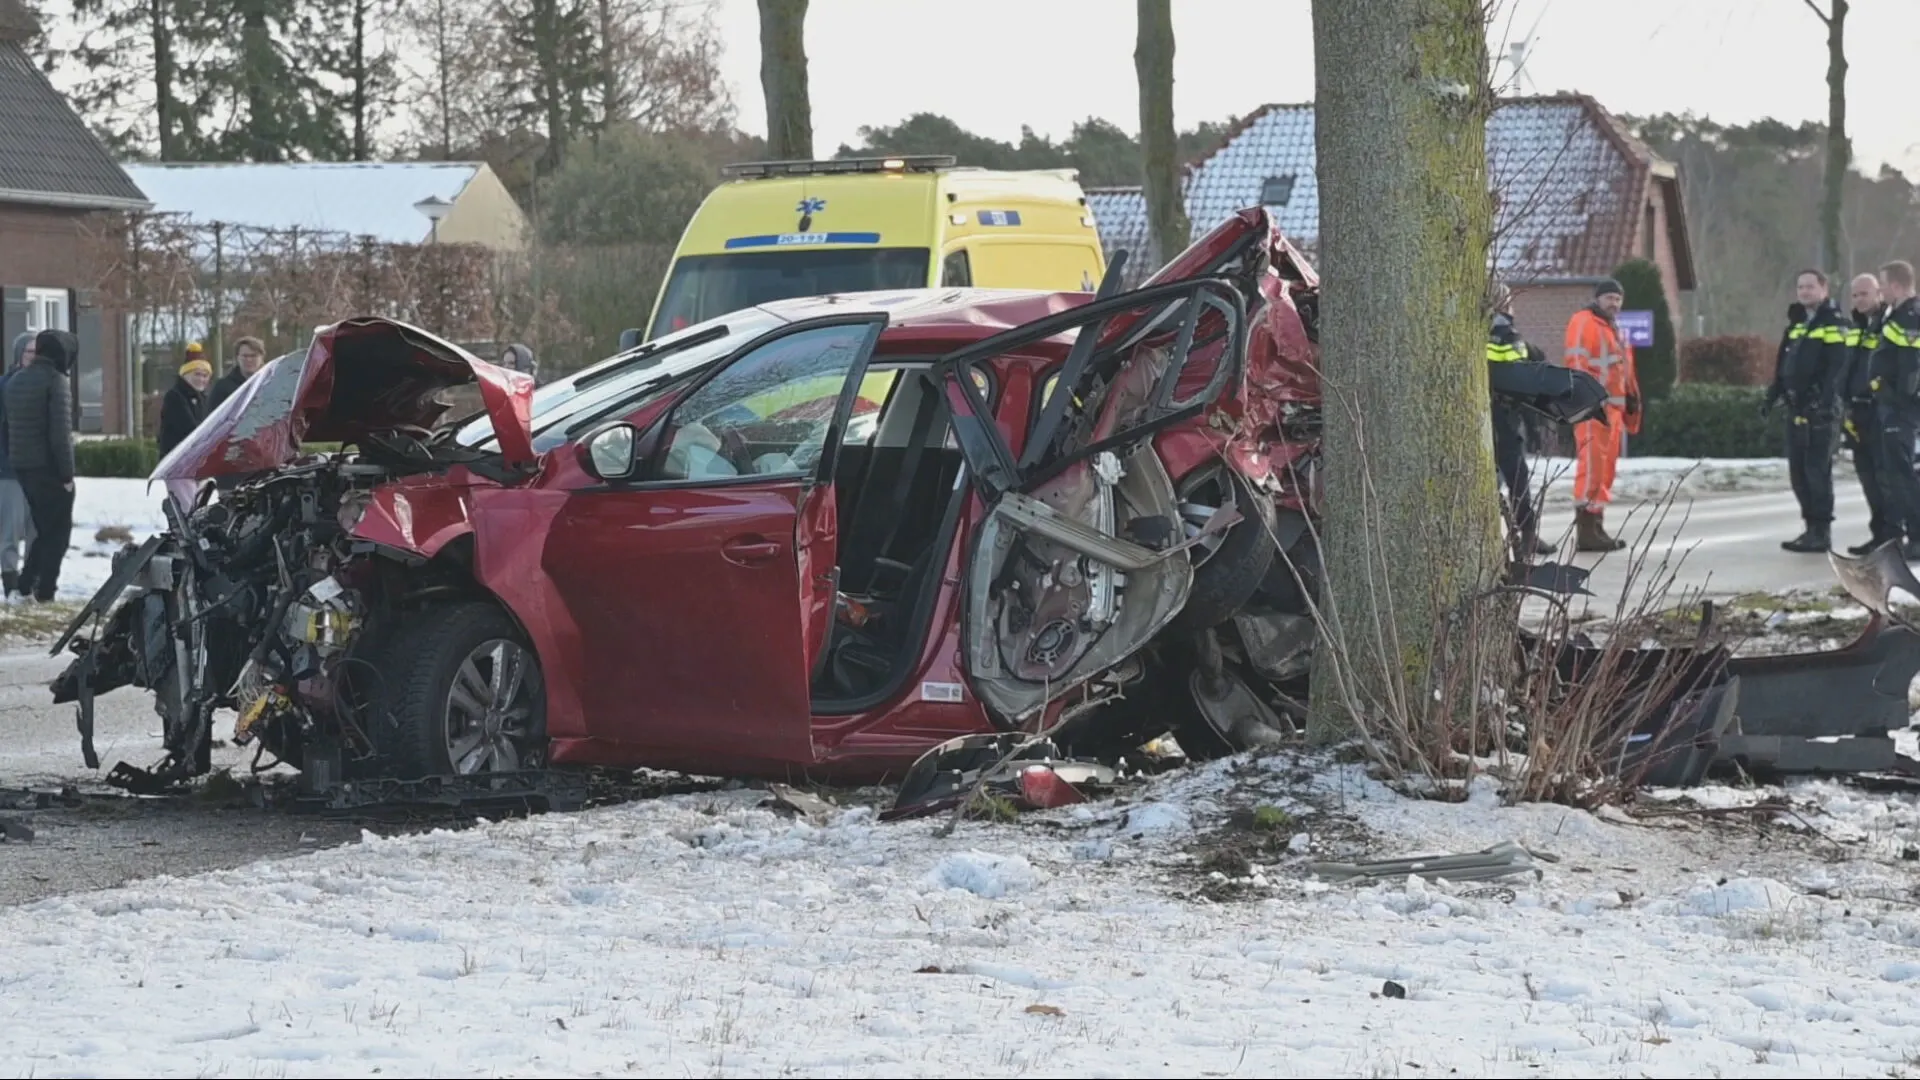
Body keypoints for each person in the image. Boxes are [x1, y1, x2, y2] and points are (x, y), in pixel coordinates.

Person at [1763, 269, 1849, 552]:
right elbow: (1785, 363)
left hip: (1820, 410)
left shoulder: (1833, 323)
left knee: (1816, 471)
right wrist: (1774, 393)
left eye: (1810, 287)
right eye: (1800, 287)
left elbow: (1837, 366)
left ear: (1824, 289)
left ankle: (1821, 531)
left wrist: (1824, 401)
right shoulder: (1798, 323)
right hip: (1796, 407)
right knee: (1798, 473)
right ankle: (1810, 527)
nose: (1804, 292)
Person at [1564, 279, 1639, 552]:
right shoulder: (1584, 322)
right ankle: (1586, 530)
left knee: (1604, 471)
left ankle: (1596, 527)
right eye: (1609, 298)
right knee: (1592, 468)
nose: (1614, 304)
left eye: (1618, 299)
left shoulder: (1613, 329)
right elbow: (1576, 362)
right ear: (1598, 299)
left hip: (1612, 411)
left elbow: (1624, 370)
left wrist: (1631, 397)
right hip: (1593, 409)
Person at [6, 328, 78, 603]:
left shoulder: (17, 380)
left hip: (23, 466)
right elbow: (60, 434)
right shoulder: (55, 381)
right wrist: (66, 475)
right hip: (49, 469)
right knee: (57, 533)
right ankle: (45, 590)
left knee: (43, 528)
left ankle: (25, 586)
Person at [1486, 287, 1554, 559]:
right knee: (1516, 479)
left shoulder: (1472, 332)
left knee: (1494, 481)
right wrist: (1533, 425)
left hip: (1484, 418)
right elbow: (1520, 387)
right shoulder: (1508, 336)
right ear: (1505, 303)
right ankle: (1526, 537)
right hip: (1504, 421)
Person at [1869, 259, 1920, 560]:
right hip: (1892, 407)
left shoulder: (1910, 317)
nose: (1881, 291)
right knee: (1897, 474)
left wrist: (1898, 399)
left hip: (1901, 410)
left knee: (1903, 476)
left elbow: (1911, 366)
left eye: (1884, 285)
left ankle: (1917, 535)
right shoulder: (1896, 315)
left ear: (1897, 286)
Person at [1840, 273, 1892, 554]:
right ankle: (1880, 534)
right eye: (1855, 295)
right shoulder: (1857, 327)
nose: (1859, 300)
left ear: (1879, 293)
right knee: (1868, 478)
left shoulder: (1888, 324)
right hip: (1856, 412)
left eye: (1865, 294)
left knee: (1885, 478)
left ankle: (1894, 535)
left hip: (1879, 411)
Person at [0, 334, 37, 599]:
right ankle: (11, 585)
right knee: (10, 531)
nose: (34, 357)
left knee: (38, 531)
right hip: (10, 472)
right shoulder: (4, 387)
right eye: (29, 352)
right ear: (19, 354)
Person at [158, 352, 212, 458]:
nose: (201, 379)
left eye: (205, 376)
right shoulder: (175, 396)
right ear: (185, 375)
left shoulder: (204, 398)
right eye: (197, 374)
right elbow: (189, 428)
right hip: (177, 458)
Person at [206, 336, 266, 413]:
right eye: (245, 356)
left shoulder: (270, 384)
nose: (249, 359)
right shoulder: (222, 387)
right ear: (237, 358)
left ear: (261, 358)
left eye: (253, 355)